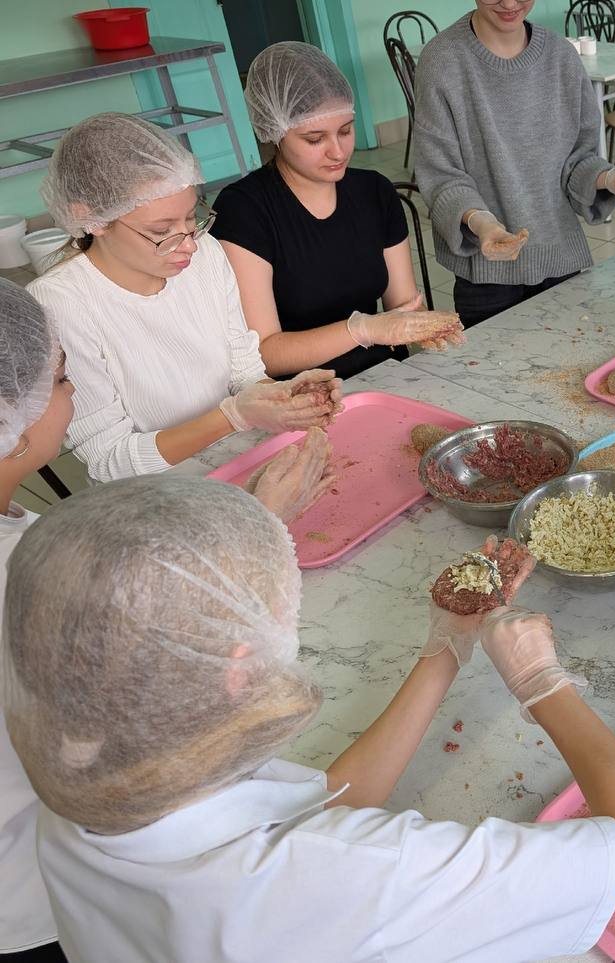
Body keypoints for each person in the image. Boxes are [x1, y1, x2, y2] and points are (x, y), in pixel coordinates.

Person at [1, 476, 615, 962]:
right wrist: (543, 684)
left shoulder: (93, 785)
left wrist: (446, 647)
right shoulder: (353, 877)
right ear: (239, 667)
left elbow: (324, 805)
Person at [0, 282, 331, 963]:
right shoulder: (19, 570)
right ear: (12, 426)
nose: (71, 391)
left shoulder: (22, 534)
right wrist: (259, 527)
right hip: (45, 879)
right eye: (59, 381)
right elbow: (162, 664)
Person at [27, 112, 342, 483]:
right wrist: (234, 416)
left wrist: (288, 400)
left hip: (238, 454)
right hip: (155, 488)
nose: (189, 244)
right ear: (92, 219)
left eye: (192, 218)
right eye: (162, 230)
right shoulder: (60, 305)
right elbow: (109, 459)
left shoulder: (205, 254)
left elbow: (244, 372)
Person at [213, 42, 464, 380]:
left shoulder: (374, 192)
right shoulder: (243, 210)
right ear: (275, 132)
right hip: (302, 392)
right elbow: (266, 354)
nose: (338, 151)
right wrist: (363, 330)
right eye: (314, 139)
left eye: (345, 130)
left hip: (385, 375)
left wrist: (427, 327)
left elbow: (403, 306)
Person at [413, 0, 615, 327]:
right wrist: (482, 222)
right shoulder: (442, 60)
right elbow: (441, 175)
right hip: (486, 276)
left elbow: (578, 160)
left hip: (560, 259)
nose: (509, 3)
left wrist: (613, 178)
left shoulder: (561, 56)